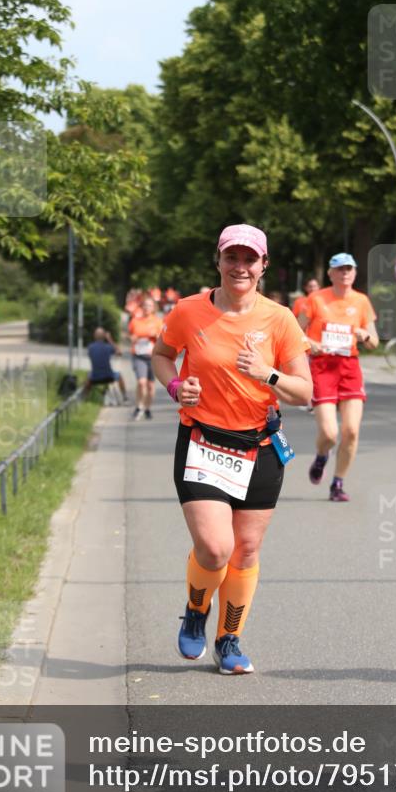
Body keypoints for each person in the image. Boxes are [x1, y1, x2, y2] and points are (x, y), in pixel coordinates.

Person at [152, 224, 312, 675]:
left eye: (250, 259)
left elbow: (305, 392)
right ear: (218, 261)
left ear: (264, 266)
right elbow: (162, 354)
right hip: (202, 442)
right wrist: (175, 385)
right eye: (232, 257)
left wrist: (267, 374)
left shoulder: (279, 319)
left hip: (259, 447)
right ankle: (196, 610)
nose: (240, 267)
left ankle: (228, 639)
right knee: (215, 547)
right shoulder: (188, 312)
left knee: (244, 552)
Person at [298, 253, 378, 502]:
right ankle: (322, 456)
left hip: (349, 367)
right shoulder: (316, 299)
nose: (345, 273)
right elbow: (294, 333)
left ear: (354, 273)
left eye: (349, 269)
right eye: (339, 269)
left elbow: (374, 342)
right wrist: (311, 343)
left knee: (351, 431)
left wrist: (365, 336)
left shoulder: (362, 301)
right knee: (330, 434)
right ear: (330, 274)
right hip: (322, 367)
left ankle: (337, 483)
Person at [128, 295, 161, 420]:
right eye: (145, 305)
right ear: (142, 307)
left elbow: (163, 340)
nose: (147, 307)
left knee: (151, 385)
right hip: (138, 355)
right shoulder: (135, 321)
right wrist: (134, 339)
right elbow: (131, 337)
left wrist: (155, 336)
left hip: (153, 356)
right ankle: (138, 406)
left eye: (150, 305)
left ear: (153, 308)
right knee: (141, 382)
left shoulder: (158, 322)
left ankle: (147, 408)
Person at [83, 327, 127, 404]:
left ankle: (84, 397)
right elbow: (119, 353)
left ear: (94, 336)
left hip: (95, 377)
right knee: (119, 375)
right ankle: (124, 396)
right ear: (104, 336)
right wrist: (110, 339)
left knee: (88, 376)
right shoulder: (108, 347)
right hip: (109, 376)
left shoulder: (90, 347)